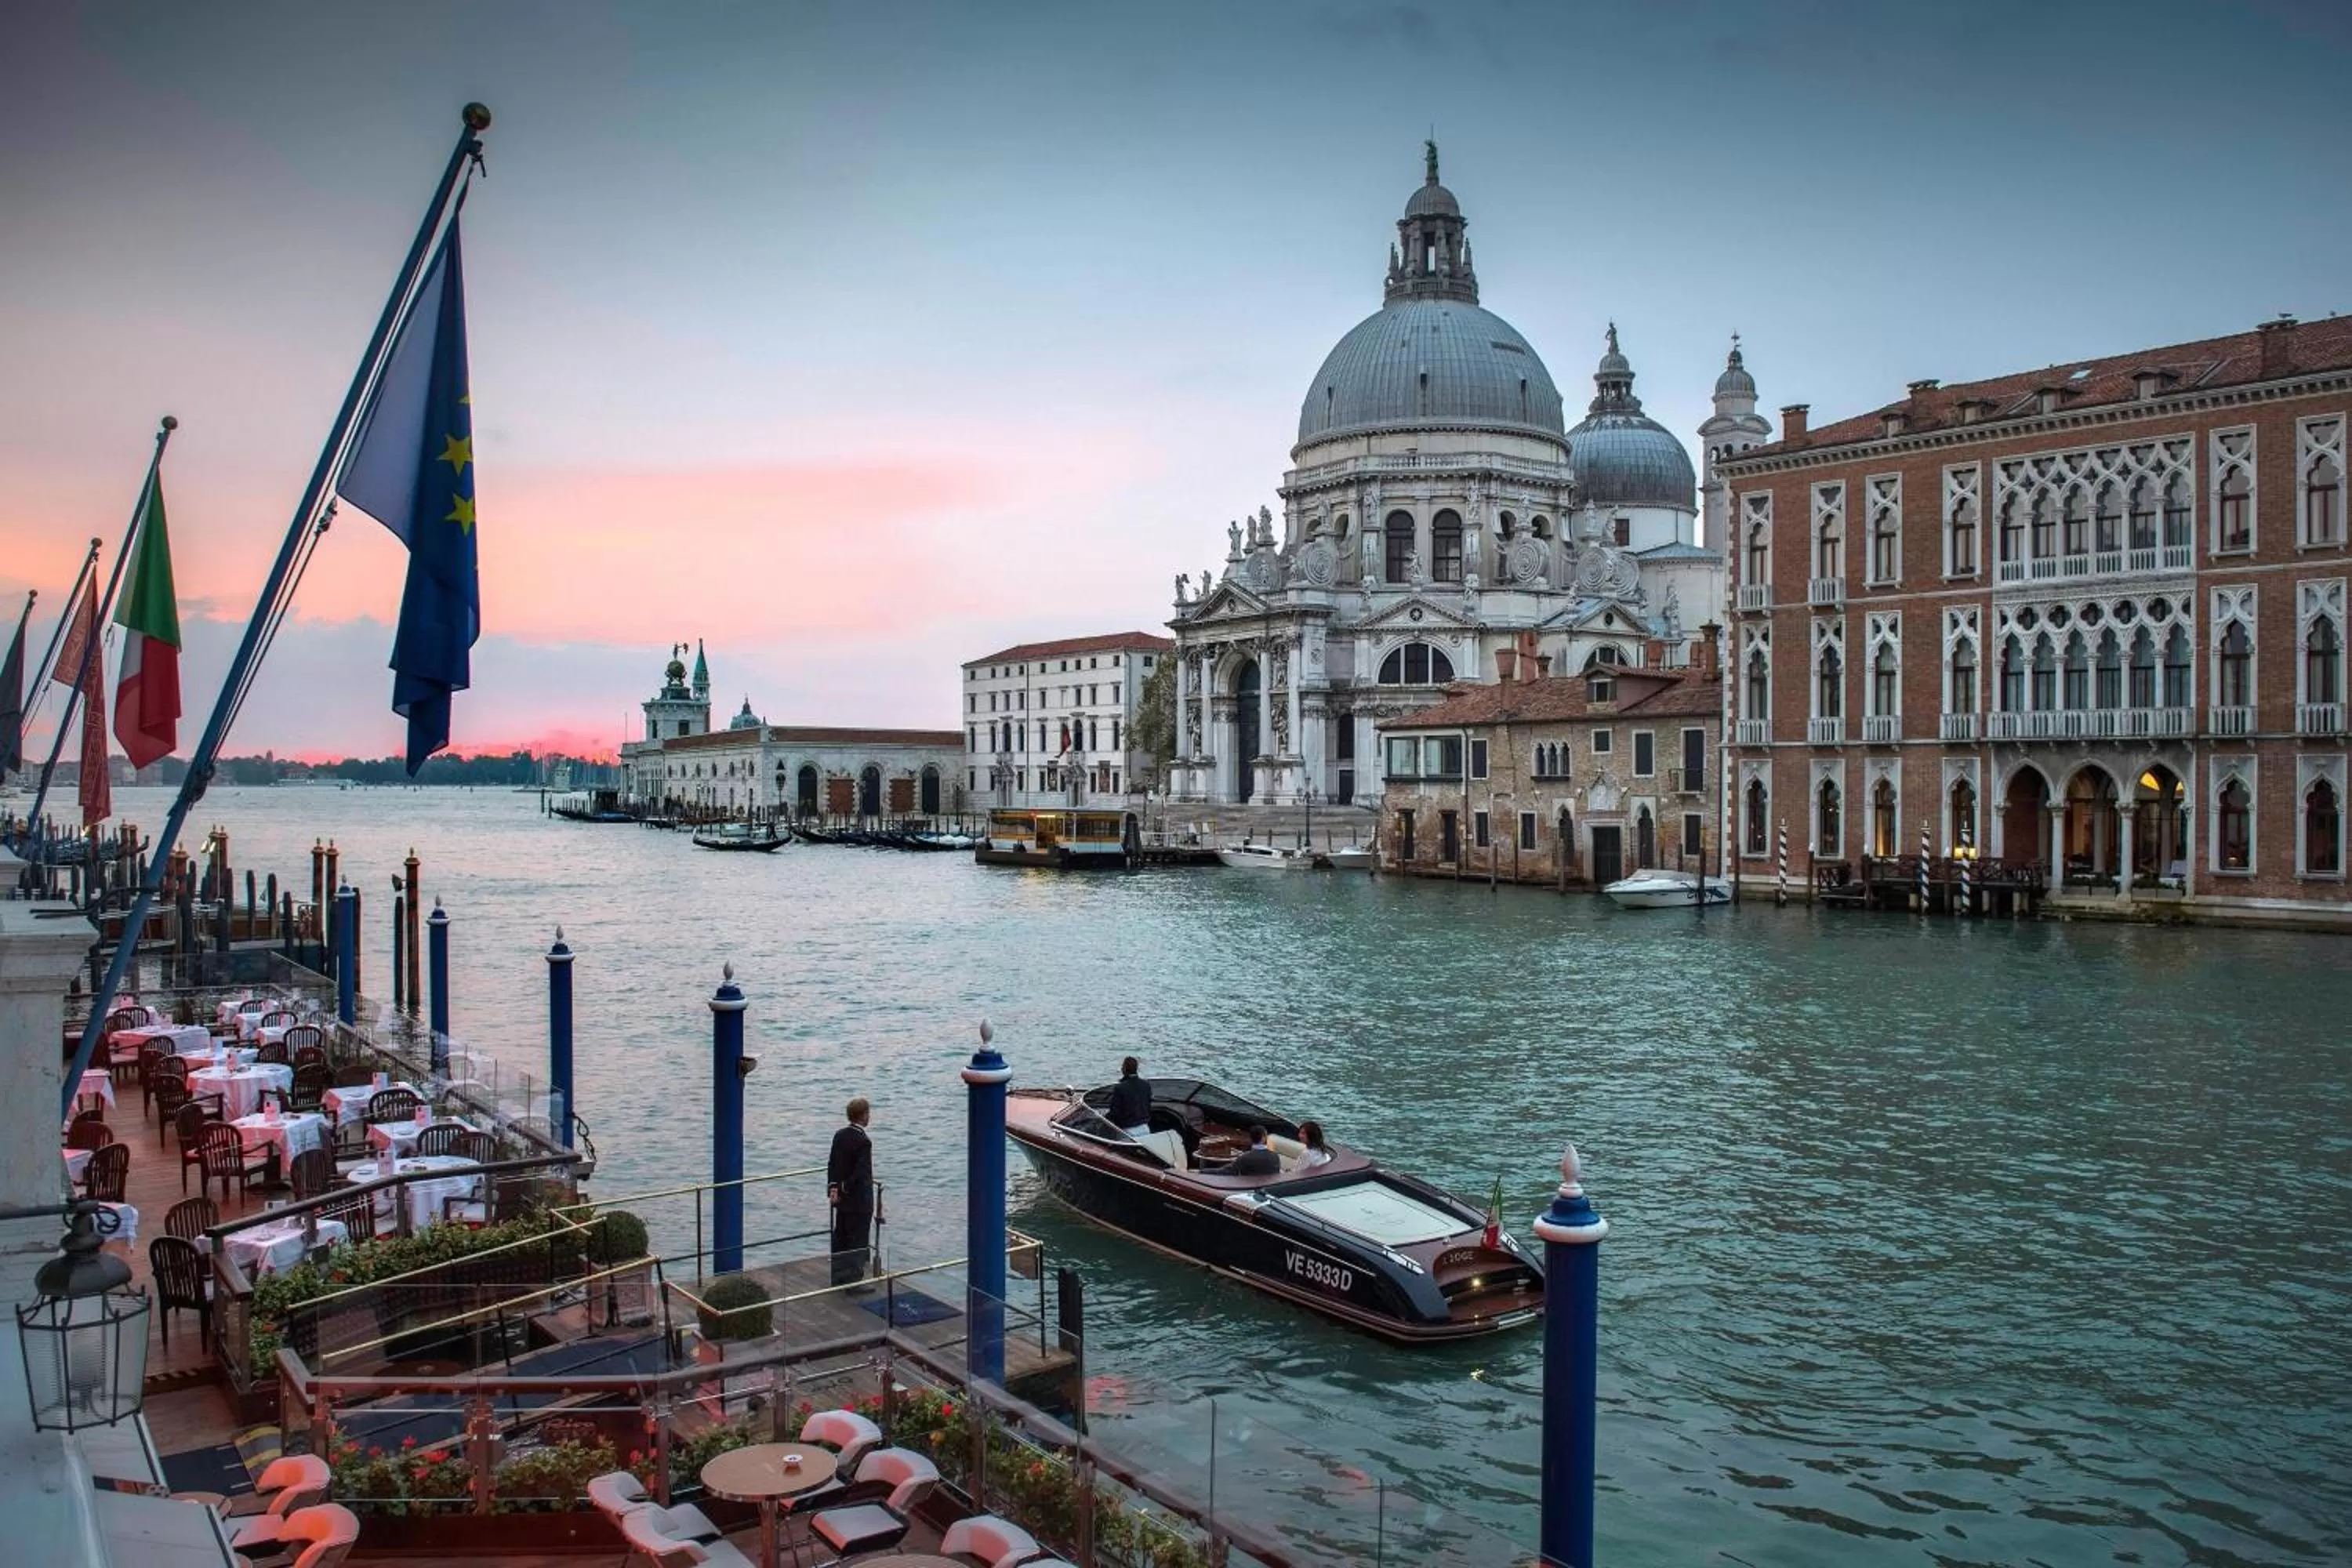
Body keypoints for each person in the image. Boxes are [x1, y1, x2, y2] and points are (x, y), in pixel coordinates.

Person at [827, 1098, 875, 1285]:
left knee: (842, 1237)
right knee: (858, 1240)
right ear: (863, 1116)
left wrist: (834, 1187)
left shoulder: (840, 1135)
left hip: (842, 1200)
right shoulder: (864, 1141)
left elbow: (833, 1164)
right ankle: (854, 1281)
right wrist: (845, 1187)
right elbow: (861, 1173)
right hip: (859, 1201)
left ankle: (838, 1276)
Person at [1210, 1123, 1280, 1176]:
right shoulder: (1275, 1156)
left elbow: (1225, 1171)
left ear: (1251, 1138)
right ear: (1263, 1138)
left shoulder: (1245, 1157)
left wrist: (1202, 1171)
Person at [1107, 1056, 1152, 1137]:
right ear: (1136, 1069)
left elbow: (1114, 1112)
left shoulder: (1120, 1088)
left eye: (1122, 1066)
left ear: (1124, 1069)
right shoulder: (1146, 1085)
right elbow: (1148, 1106)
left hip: (1127, 1131)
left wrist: (1104, 1119)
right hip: (1145, 1128)